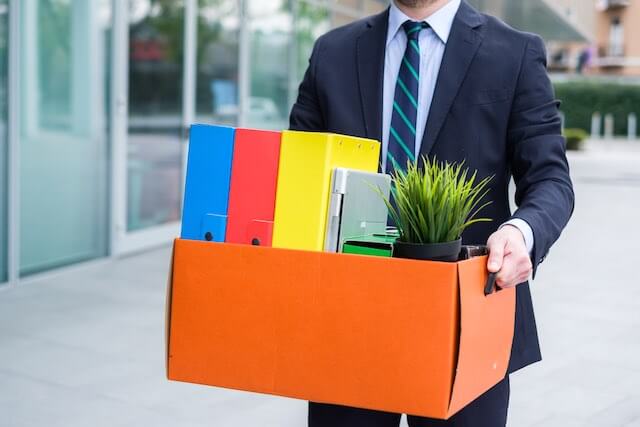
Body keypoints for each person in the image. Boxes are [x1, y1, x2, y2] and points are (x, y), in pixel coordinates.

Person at [289, 0, 575, 426]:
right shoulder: (333, 51)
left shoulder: (514, 52)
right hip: (347, 320)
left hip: (465, 322)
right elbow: (297, 174)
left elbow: (551, 179)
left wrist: (522, 232)